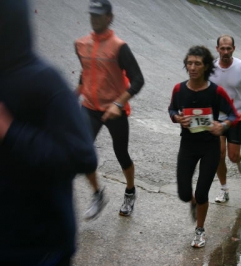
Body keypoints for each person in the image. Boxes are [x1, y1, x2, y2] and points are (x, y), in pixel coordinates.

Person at [0, 0, 98, 265]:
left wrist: (10, 131)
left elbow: (83, 156)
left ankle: (102, 193)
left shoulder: (43, 80)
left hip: (39, 247)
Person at [75, 0, 145, 220]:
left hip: (115, 109)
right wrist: (72, 98)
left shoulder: (119, 46)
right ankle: (98, 194)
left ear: (109, 17)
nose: (95, 19)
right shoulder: (81, 44)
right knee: (82, 152)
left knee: (121, 153)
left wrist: (118, 104)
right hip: (90, 108)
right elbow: (85, 74)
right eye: (92, 15)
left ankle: (130, 191)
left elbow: (138, 80)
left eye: (100, 15)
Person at [168, 45, 240, 248]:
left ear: (206, 66)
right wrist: (176, 117)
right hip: (188, 145)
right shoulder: (179, 89)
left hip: (210, 147)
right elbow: (172, 108)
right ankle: (192, 203)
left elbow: (234, 114)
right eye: (189, 63)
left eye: (197, 63)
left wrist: (223, 125)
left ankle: (199, 230)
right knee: (184, 193)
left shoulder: (216, 92)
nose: (192, 67)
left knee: (201, 193)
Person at [208, 35, 241, 203]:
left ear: (233, 49)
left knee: (232, 156)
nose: (225, 52)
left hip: (236, 117)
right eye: (222, 48)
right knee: (219, 155)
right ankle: (224, 190)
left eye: (228, 48)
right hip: (217, 119)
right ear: (217, 49)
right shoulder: (210, 68)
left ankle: (239, 159)